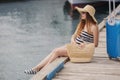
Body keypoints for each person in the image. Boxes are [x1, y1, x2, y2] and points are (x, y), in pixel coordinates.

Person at [24, 5, 99, 74]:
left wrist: (85, 45)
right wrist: (73, 41)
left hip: (82, 51)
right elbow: (74, 35)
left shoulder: (94, 27)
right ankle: (36, 68)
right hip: (75, 47)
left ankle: (43, 70)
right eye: (82, 12)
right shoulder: (82, 24)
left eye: (83, 13)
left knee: (57, 52)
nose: (81, 14)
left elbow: (95, 44)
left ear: (88, 14)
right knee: (54, 50)